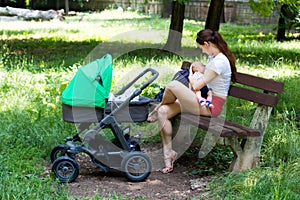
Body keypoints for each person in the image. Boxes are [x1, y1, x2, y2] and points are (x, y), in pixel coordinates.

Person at [147, 29, 237, 174]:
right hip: (201, 100)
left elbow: (196, 85)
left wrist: (190, 72)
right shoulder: (214, 58)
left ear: (207, 44)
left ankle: (156, 108)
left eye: (201, 47)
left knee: (172, 85)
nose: (202, 50)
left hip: (210, 106)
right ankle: (168, 154)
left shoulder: (219, 62)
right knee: (164, 112)